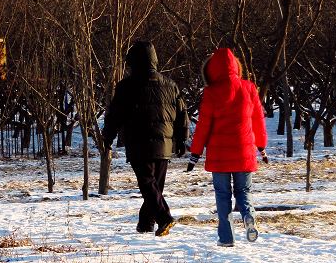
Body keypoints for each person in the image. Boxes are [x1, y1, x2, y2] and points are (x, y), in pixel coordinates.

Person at [103, 41, 189, 237]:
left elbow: (115, 114)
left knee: (148, 185)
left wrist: (108, 135)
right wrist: (182, 139)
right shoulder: (170, 85)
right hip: (165, 144)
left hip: (138, 142)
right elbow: (182, 114)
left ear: (133, 61)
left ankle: (164, 217)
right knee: (154, 185)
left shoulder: (126, 86)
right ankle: (145, 225)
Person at [187, 47, 268, 246]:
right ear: (236, 66)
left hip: (219, 156)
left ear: (212, 69)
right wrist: (261, 146)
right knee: (244, 192)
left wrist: (195, 154)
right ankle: (249, 217)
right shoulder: (249, 88)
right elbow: (258, 120)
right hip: (244, 152)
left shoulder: (211, 93)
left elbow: (203, 126)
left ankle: (226, 238)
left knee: (223, 195)